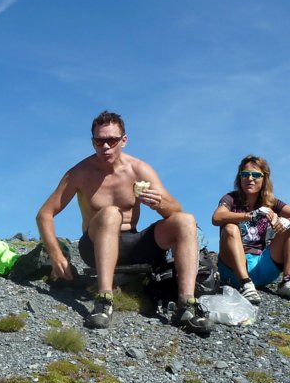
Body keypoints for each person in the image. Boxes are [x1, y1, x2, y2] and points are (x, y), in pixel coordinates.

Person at [35, 111, 213, 334]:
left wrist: (159, 204)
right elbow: (44, 214)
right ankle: (104, 300)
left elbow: (175, 210)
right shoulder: (80, 173)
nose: (106, 147)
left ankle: (187, 305)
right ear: (93, 142)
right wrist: (56, 255)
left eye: (112, 140)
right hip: (94, 245)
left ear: (124, 141)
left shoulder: (138, 169)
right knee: (111, 213)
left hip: (133, 242)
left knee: (186, 221)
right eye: (99, 141)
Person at [210, 155, 290, 304]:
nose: (250, 178)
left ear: (264, 179)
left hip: (262, 266)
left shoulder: (270, 202)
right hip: (233, 269)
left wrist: (287, 222)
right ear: (240, 178)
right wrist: (249, 215)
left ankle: (288, 281)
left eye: (256, 174)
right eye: (245, 174)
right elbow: (217, 217)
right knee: (230, 228)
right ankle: (245, 283)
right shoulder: (230, 198)